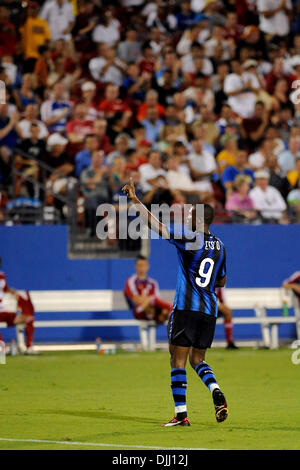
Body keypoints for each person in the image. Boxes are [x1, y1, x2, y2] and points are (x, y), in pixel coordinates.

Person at [122, 177, 228, 426]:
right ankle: (215, 390)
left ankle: (181, 415)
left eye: (191, 213)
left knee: (177, 359)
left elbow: (157, 227)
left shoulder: (191, 237)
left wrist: (136, 201)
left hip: (186, 307)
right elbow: (221, 282)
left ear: (200, 219)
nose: (188, 216)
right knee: (198, 360)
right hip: (209, 309)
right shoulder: (221, 246)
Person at [124, 254, 171, 324]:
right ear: (136, 267)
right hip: (139, 311)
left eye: (143, 265)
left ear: (147, 266)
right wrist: (149, 300)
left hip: (152, 311)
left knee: (163, 312)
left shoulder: (153, 283)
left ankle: (168, 313)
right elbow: (136, 300)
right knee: (153, 300)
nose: (142, 268)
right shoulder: (131, 281)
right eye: (139, 265)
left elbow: (157, 301)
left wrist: (149, 300)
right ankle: (171, 309)